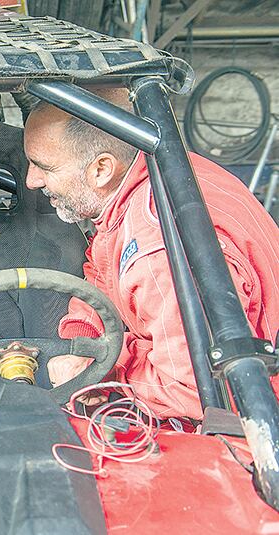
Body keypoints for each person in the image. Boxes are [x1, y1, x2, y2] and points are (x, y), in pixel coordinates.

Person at [22, 87, 279, 421]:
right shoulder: (164, 173)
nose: (31, 180)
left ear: (101, 169)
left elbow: (190, 391)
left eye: (44, 167)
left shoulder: (156, 253)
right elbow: (101, 270)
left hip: (240, 422)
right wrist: (82, 341)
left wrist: (105, 369)